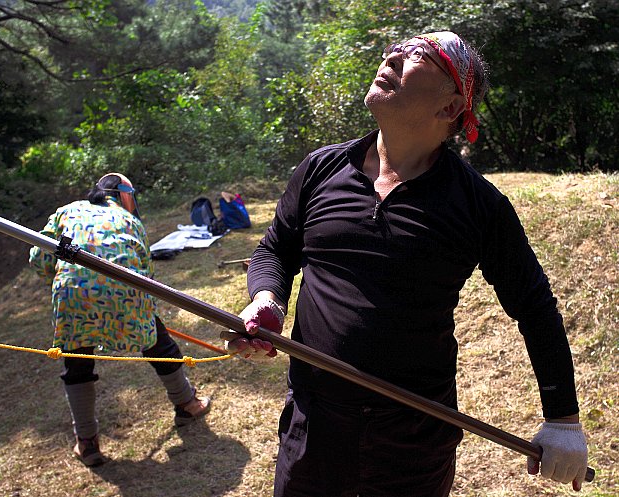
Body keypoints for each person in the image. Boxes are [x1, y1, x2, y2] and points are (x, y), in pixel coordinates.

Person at [224, 31, 588, 496]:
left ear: (450, 107)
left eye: (421, 55)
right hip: (314, 424)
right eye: (397, 47)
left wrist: (563, 420)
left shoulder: (479, 205)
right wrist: (267, 300)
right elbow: (276, 249)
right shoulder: (320, 169)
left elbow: (534, 308)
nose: (395, 54)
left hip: (414, 438)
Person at [29, 172, 211, 467]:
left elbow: (40, 258)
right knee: (157, 342)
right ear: (125, 195)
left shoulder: (66, 212)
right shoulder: (130, 221)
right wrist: (144, 311)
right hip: (126, 291)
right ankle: (187, 404)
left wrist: (71, 280)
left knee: (77, 362)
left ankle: (87, 443)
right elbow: (146, 274)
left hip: (74, 294)